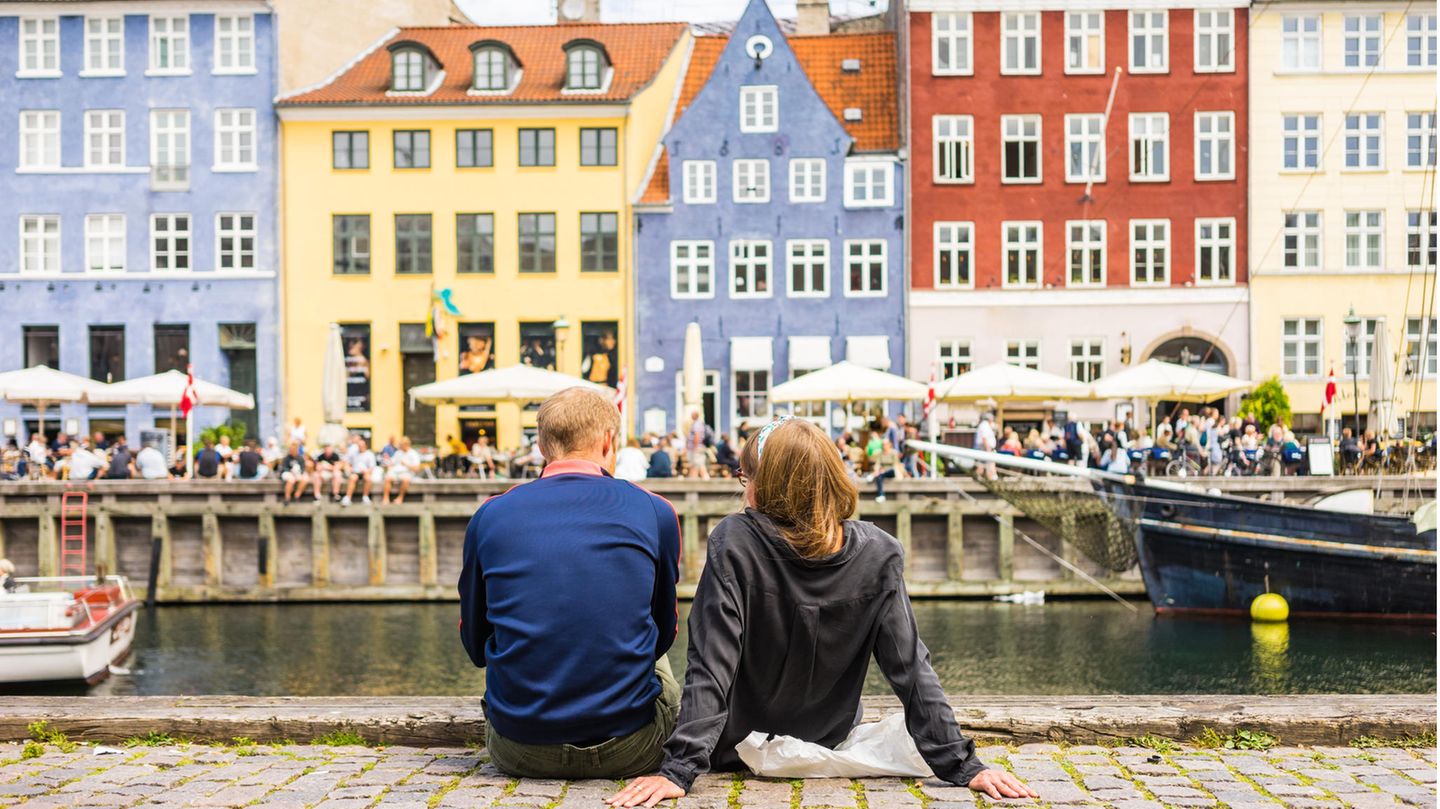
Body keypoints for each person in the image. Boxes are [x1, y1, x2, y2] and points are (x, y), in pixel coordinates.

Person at [608, 419, 1035, 808]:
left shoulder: (734, 541)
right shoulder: (879, 552)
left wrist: (679, 770)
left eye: (746, 478)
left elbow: (710, 666)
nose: (744, 491)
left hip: (735, 743)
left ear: (768, 484)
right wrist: (963, 765)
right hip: (826, 736)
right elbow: (910, 669)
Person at [459, 386, 681, 779]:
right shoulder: (656, 511)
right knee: (654, 646)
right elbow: (665, 632)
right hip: (631, 746)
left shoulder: (490, 515)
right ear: (608, 440)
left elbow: (476, 643)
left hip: (519, 749)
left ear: (543, 446)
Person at [342, 437, 378, 506]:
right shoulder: (353, 453)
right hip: (355, 472)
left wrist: (366, 472)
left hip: (365, 472)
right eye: (359, 446)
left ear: (365, 446)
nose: (360, 447)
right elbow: (348, 463)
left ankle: (365, 497)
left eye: (362, 446)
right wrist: (349, 469)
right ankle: (347, 498)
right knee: (352, 478)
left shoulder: (370, 454)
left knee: (368, 478)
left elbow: (372, 468)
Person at [383, 437, 420, 504]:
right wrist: (388, 466)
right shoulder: (398, 452)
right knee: (387, 478)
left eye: (401, 445)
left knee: (405, 479)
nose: (400, 446)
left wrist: (406, 464)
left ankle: (400, 498)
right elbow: (391, 463)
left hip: (407, 472)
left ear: (406, 444)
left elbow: (416, 469)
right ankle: (386, 498)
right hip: (396, 472)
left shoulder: (413, 454)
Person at [868, 437, 903, 502]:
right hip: (883, 471)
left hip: (892, 471)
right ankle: (881, 495)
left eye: (886, 444)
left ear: (889, 445)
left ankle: (873, 476)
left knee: (884, 472)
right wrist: (876, 470)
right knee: (879, 476)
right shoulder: (880, 453)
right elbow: (877, 464)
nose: (884, 446)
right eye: (883, 444)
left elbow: (896, 465)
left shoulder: (893, 453)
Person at [685, 411, 710, 480]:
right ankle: (694, 478)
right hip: (698, 447)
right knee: (696, 464)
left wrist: (694, 447)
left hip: (697, 448)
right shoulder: (698, 424)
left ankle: (705, 478)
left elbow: (697, 435)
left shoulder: (696, 424)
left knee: (698, 463)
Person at [974, 413, 997, 480]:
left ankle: (982, 479)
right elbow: (984, 438)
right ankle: (991, 480)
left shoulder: (983, 425)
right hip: (985, 449)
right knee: (985, 466)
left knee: (982, 466)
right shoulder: (985, 425)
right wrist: (988, 450)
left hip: (984, 449)